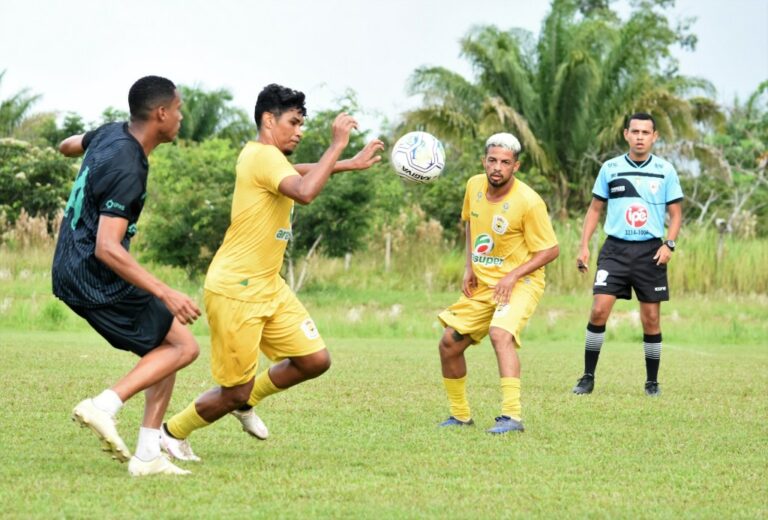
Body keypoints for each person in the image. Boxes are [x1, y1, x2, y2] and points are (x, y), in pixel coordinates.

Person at [160, 84, 384, 460]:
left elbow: (296, 171)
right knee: (233, 389)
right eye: (294, 122)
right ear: (268, 119)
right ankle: (172, 432)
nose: (300, 130)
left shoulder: (268, 159)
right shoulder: (263, 157)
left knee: (314, 360)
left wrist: (347, 164)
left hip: (269, 285)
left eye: (302, 124)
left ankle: (245, 403)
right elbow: (305, 190)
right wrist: (336, 146)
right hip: (237, 289)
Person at [52, 76, 201, 476]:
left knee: (167, 344)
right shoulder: (128, 165)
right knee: (184, 348)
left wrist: (80, 154)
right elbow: (107, 247)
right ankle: (104, 406)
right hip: (92, 273)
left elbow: (69, 144)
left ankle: (148, 454)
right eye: (179, 108)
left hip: (70, 263)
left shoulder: (110, 134)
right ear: (161, 114)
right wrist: (166, 292)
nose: (182, 116)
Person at [436, 133, 559, 434]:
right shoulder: (473, 186)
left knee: (500, 333)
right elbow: (469, 224)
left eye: (505, 162)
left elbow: (551, 250)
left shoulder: (529, 202)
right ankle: (460, 416)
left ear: (516, 166)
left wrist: (513, 275)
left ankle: (512, 417)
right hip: (484, 285)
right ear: (484, 161)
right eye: (492, 160)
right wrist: (469, 267)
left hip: (522, 282)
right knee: (449, 344)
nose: (497, 168)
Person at [572, 112, 683, 397]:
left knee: (651, 319)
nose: (640, 137)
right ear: (626, 134)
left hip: (651, 250)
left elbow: (676, 214)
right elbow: (595, 209)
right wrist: (584, 245)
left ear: (654, 136)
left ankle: (652, 382)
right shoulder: (610, 168)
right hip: (615, 250)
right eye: (635, 132)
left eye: (646, 133)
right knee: (598, 311)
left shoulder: (665, 170)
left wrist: (668, 245)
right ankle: (587, 377)